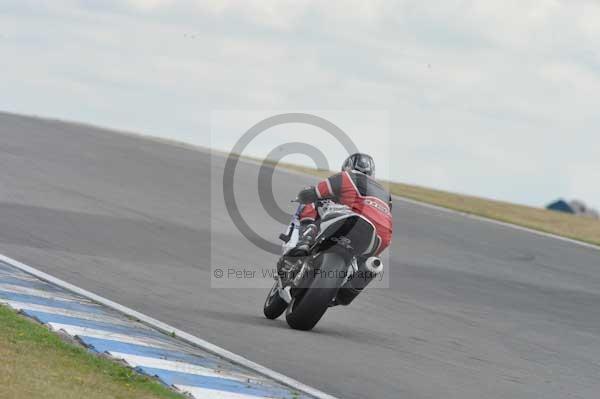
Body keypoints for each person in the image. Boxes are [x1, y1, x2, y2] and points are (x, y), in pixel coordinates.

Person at [289, 153, 393, 305]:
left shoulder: (345, 177)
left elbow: (314, 193)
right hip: (382, 235)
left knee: (314, 205)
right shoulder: (386, 194)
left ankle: (304, 243)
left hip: (352, 220)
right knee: (367, 263)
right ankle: (349, 289)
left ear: (347, 166)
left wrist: (303, 195)